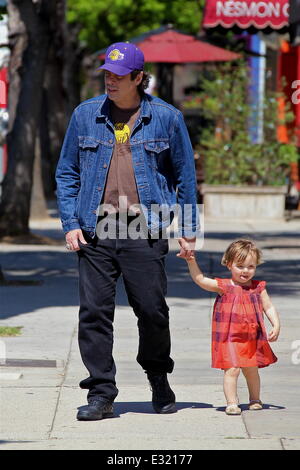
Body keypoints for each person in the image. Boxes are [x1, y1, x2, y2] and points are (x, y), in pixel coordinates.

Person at [55, 42, 199, 421]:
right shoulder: (86, 115)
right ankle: (101, 393)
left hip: (145, 226)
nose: (111, 82)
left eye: (119, 76)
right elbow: (67, 171)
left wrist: (187, 227)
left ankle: (157, 375)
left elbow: (185, 176)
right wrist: (70, 223)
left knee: (152, 311)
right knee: (94, 314)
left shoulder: (166, 118)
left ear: (139, 77)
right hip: (96, 227)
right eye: (107, 75)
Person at [178, 239, 280, 415]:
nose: (245, 271)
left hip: (251, 337)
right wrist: (191, 260)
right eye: (240, 266)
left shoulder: (258, 288)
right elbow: (201, 280)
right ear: (228, 264)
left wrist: (276, 324)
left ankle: (255, 399)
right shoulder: (224, 286)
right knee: (232, 370)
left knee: (251, 370)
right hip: (229, 338)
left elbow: (268, 306)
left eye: (250, 266)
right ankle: (232, 402)